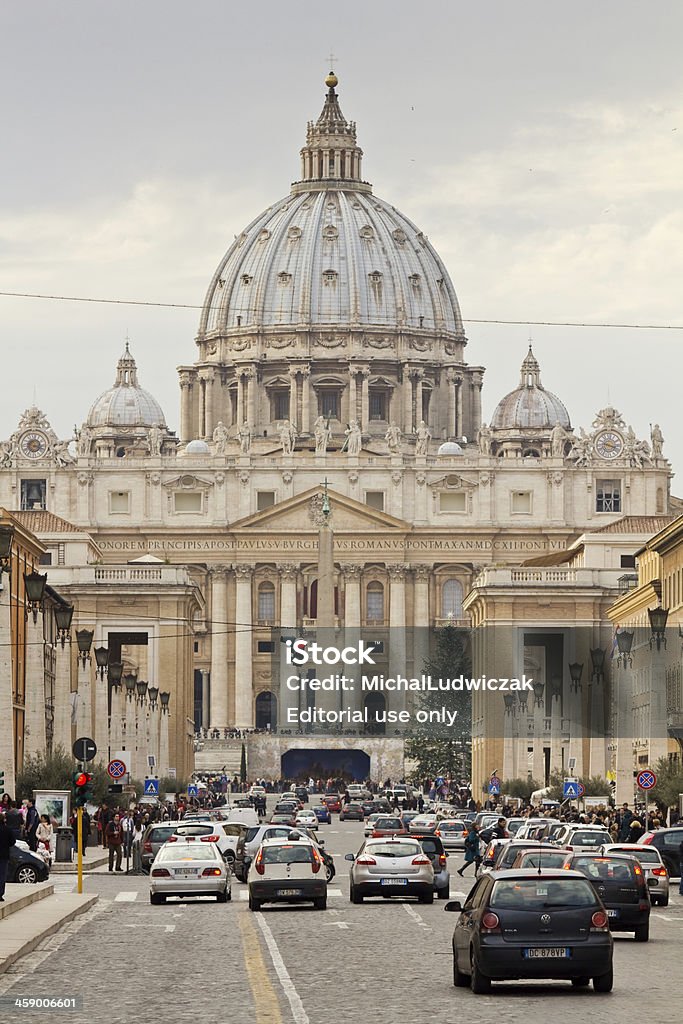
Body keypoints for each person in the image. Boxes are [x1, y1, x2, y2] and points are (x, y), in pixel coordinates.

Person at [0, 814, 16, 902]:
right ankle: (0, 894)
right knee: (2, 875)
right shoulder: (7, 830)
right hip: (4, 855)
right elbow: (12, 841)